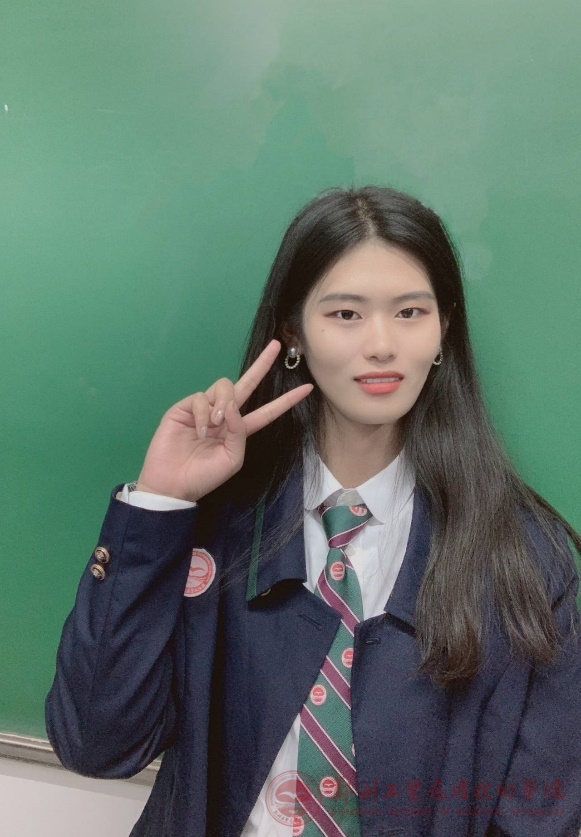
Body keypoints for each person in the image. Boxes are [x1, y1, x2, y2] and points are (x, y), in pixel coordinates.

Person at [46, 186, 581, 837]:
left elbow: (540, 816)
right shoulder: (216, 525)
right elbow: (96, 742)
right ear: (293, 330)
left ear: (443, 327)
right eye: (345, 313)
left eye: (410, 311)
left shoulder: (525, 558)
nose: (381, 344)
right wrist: (160, 503)